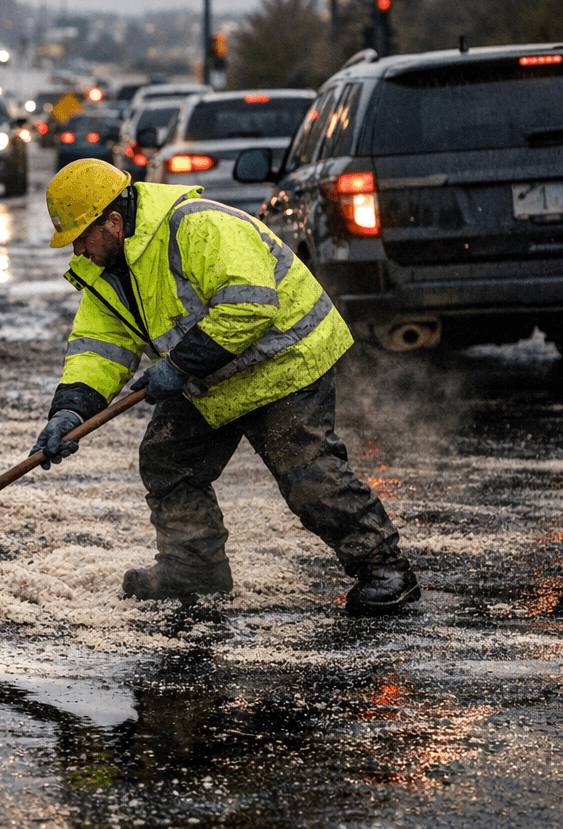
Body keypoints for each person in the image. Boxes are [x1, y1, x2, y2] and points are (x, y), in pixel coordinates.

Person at [34, 158, 419, 615]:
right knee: (168, 460)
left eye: (80, 237)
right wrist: (71, 410)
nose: (78, 251)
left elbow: (249, 306)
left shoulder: (197, 226)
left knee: (307, 472)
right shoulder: (106, 271)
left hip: (282, 361)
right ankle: (194, 568)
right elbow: (100, 349)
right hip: (210, 374)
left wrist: (179, 364)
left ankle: (385, 570)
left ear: (114, 223)